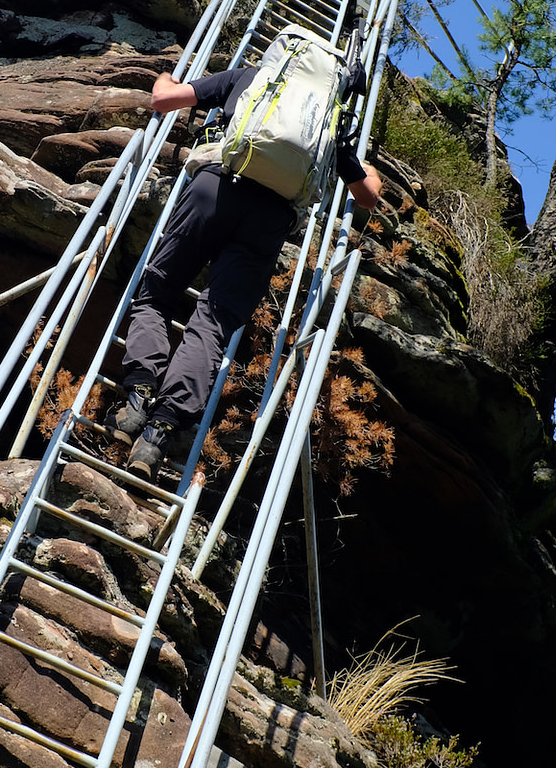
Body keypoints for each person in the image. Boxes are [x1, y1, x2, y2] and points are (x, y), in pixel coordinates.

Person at [112, 64, 383, 480]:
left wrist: (165, 77)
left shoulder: (254, 76)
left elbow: (163, 100)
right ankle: (158, 434)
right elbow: (367, 196)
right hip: (270, 218)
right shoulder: (327, 117)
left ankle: (137, 399)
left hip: (216, 186)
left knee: (157, 295)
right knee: (213, 323)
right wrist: (366, 167)